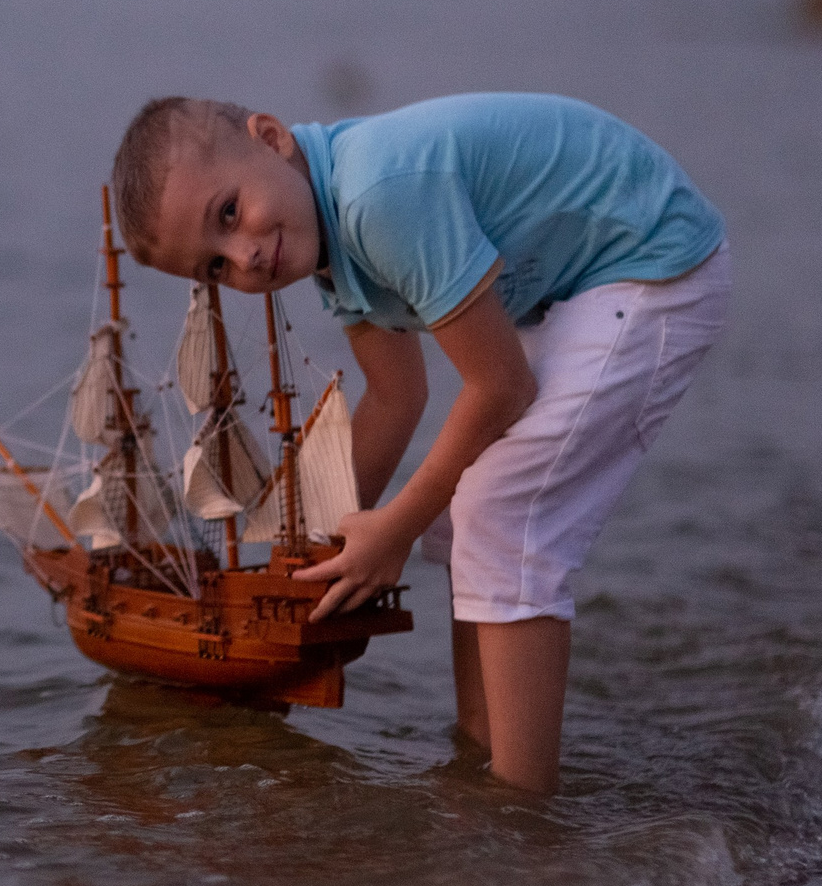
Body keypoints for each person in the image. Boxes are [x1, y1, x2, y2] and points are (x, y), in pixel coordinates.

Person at [109, 93, 729, 794]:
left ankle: (521, 809)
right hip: (571, 285)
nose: (245, 256)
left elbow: (500, 387)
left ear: (273, 138)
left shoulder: (379, 196)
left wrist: (394, 530)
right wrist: (316, 560)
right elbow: (397, 398)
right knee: (463, 511)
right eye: (215, 268)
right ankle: (480, 754)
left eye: (228, 214)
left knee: (502, 514)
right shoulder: (326, 242)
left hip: (650, 261)